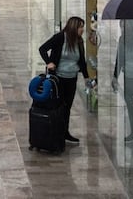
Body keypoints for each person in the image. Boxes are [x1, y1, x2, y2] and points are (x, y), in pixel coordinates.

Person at [39, 16, 95, 144]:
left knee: (67, 106)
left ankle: (65, 132)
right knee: (58, 106)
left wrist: (87, 78)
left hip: (71, 78)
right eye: (80, 27)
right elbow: (42, 49)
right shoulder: (60, 38)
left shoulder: (79, 42)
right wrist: (49, 62)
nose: (82, 30)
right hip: (58, 78)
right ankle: (55, 133)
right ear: (74, 27)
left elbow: (81, 61)